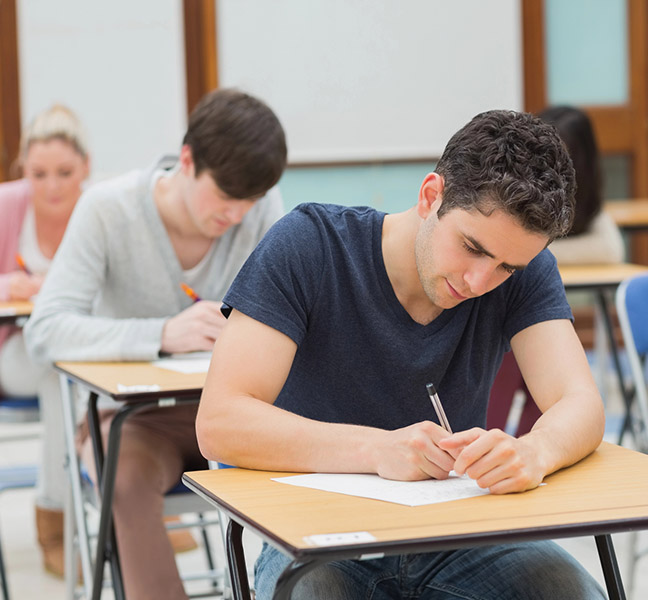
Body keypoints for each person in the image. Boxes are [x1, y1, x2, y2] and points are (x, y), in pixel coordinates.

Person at [196, 109, 607, 599]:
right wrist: (376, 450)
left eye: (505, 268)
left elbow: (580, 403)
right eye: (471, 247)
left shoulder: (525, 269)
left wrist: (536, 451)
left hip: (456, 534)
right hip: (319, 537)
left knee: (570, 591)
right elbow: (220, 423)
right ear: (431, 196)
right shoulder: (309, 246)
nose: (479, 282)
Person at [24, 88, 286, 599]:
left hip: (235, 411)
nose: (236, 216)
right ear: (187, 161)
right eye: (225, 198)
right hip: (134, 420)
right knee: (125, 476)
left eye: (248, 203)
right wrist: (160, 334)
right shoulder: (108, 209)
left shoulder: (261, 206)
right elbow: (45, 330)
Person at [0, 104, 90, 576]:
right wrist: (8, 285)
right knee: (57, 372)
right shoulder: (5, 206)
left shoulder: (99, 209)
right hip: (13, 354)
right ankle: (55, 521)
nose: (51, 186)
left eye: (64, 172)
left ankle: (116, 506)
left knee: (66, 372)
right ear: (23, 170)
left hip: (75, 347)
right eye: (38, 173)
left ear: (86, 168)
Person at [539, 105, 624, 265]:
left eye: (562, 155)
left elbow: (610, 250)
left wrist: (530, 254)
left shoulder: (585, 198)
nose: (550, 165)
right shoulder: (519, 189)